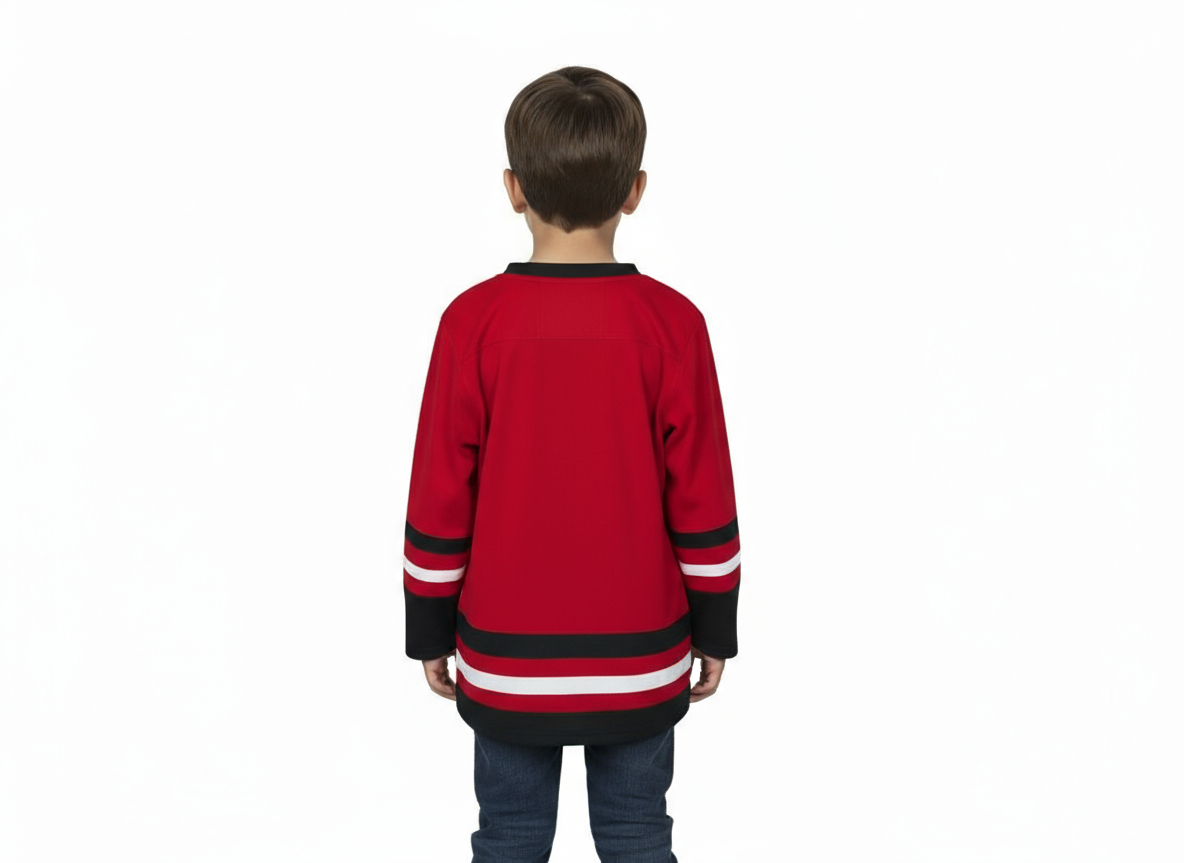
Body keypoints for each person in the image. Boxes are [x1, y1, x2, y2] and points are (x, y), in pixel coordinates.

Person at [402, 65, 741, 863]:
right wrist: (716, 625)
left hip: (507, 657)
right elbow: (703, 492)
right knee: (637, 833)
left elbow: (440, 490)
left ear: (513, 188)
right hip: (641, 655)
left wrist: (428, 626)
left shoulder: (472, 323)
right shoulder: (674, 325)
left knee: (510, 837)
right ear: (636, 190)